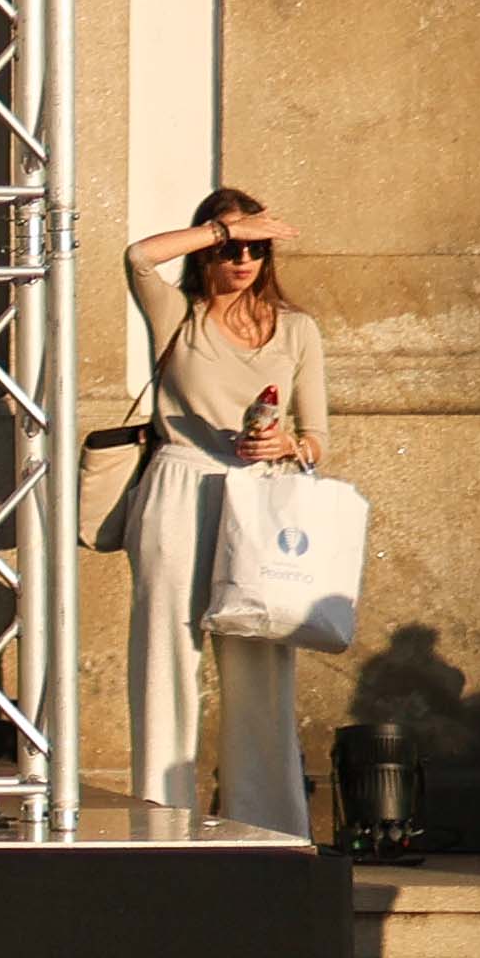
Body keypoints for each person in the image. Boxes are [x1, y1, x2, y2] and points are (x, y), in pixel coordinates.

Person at [114, 190, 336, 833]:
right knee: (165, 661)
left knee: (261, 667)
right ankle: (162, 821)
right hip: (180, 485)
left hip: (263, 496)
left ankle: (268, 825)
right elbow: (139, 257)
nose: (242, 260)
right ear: (207, 250)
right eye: (230, 249)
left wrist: (287, 444)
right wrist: (222, 228)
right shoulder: (177, 315)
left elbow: (318, 435)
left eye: (255, 249)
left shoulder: (297, 329)